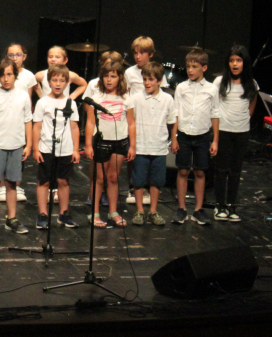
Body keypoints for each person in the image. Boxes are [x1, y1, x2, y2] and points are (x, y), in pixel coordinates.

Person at [0, 57, 32, 235]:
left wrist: (28, 144)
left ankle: (12, 218)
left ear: (15, 75)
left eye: (9, 74)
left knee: (12, 183)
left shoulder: (23, 96)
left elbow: (28, 121)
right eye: (3, 75)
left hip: (17, 145)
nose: (6, 79)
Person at [171, 48, 220, 226]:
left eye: (194, 66)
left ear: (204, 68)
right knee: (183, 171)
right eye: (188, 66)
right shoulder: (182, 87)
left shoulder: (212, 89)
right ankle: (182, 208)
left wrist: (215, 140)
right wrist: (174, 137)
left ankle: (199, 209)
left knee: (200, 172)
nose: (190, 70)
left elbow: (215, 114)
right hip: (184, 134)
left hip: (202, 136)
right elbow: (175, 113)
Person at [83, 59, 130, 227]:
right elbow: (90, 122)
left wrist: (133, 146)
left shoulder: (126, 98)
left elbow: (131, 122)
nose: (109, 80)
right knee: (99, 178)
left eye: (113, 76)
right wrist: (88, 145)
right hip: (101, 142)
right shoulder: (96, 98)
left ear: (120, 78)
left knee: (113, 177)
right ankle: (94, 213)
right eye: (106, 76)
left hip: (120, 142)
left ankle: (113, 212)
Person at [127, 62, 175, 226]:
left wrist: (172, 139)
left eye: (151, 79)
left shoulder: (167, 99)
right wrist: (132, 145)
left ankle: (153, 211)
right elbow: (130, 121)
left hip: (159, 148)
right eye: (145, 79)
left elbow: (172, 121)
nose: (147, 83)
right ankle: (140, 211)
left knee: (156, 181)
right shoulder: (136, 98)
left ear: (159, 81)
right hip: (140, 146)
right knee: (138, 181)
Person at [32, 65, 80, 229]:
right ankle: (43, 214)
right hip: (46, 148)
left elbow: (74, 127)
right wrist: (36, 148)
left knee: (63, 181)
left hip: (65, 149)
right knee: (44, 181)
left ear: (67, 83)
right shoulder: (43, 102)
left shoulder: (70, 103)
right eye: (54, 80)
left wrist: (75, 149)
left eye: (62, 80)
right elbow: (37, 126)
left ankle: (63, 213)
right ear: (49, 81)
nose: (58, 84)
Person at [213, 45, 257, 221]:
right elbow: (214, 107)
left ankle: (231, 205)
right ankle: (219, 205)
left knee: (235, 170)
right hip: (223, 130)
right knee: (221, 169)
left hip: (242, 131)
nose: (235, 64)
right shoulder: (220, 82)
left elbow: (253, 100)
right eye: (232, 60)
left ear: (244, 62)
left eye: (238, 60)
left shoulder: (251, 84)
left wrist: (247, 116)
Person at [0, 43, 35, 204]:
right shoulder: (1, 76)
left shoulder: (28, 76)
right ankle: (2, 186)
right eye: (11, 55)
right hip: (3, 120)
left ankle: (16, 184)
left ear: (24, 56)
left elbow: (29, 100)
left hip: (19, 118)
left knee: (18, 154)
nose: (14, 58)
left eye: (18, 54)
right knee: (1, 154)